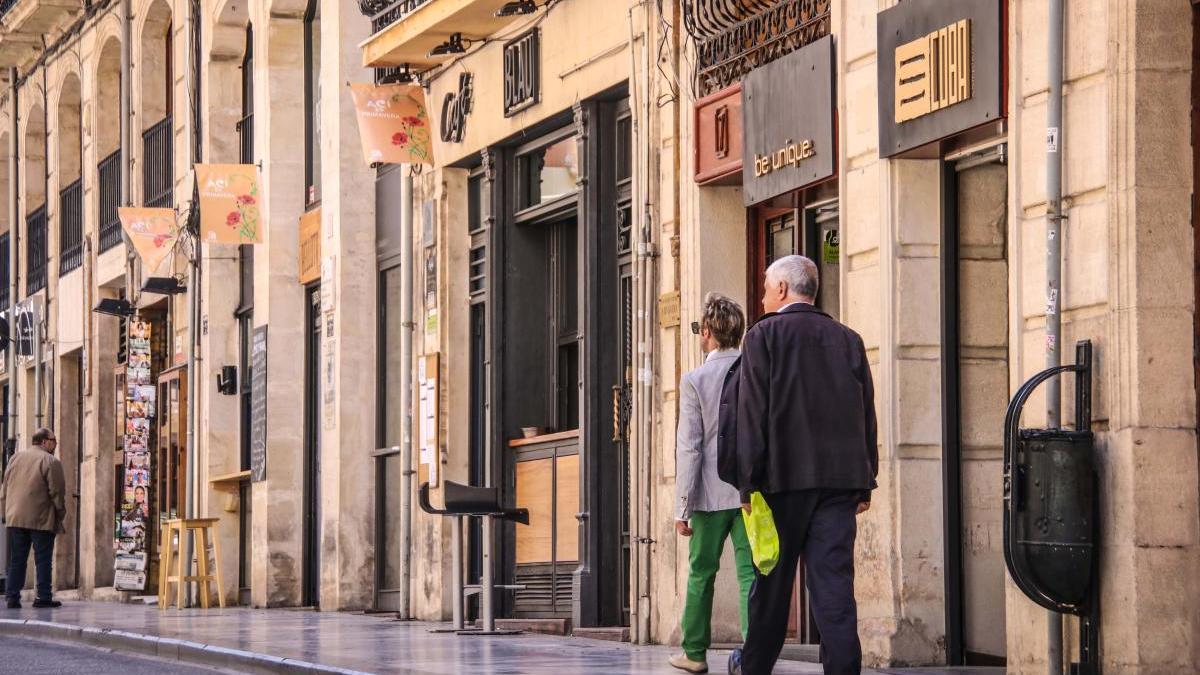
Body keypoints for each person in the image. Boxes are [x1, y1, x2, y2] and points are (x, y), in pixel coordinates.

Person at [731, 256, 877, 675]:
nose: (761, 296)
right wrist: (865, 480)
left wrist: (747, 485)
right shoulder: (848, 339)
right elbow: (865, 412)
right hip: (839, 483)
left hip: (780, 483)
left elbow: (752, 414)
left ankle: (754, 668)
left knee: (771, 589)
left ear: (780, 289)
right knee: (834, 588)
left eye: (764, 288)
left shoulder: (763, 336)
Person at [670, 293, 756, 674]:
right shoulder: (756, 372)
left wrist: (681, 507)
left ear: (707, 332)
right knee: (750, 573)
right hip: (750, 495)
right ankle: (755, 651)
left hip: (707, 494)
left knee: (701, 572)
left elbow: (690, 448)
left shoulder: (694, 380)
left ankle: (694, 653)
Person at [1, 428, 66, 609]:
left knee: (17, 559)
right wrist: (60, 513)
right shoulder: (50, 461)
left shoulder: (15, 459)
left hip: (15, 517)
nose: (55, 444)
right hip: (41, 517)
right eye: (54, 440)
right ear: (45, 442)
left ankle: (12, 597)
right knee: (43, 559)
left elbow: (4, 488)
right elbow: (57, 492)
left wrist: (6, 513)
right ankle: (43, 597)